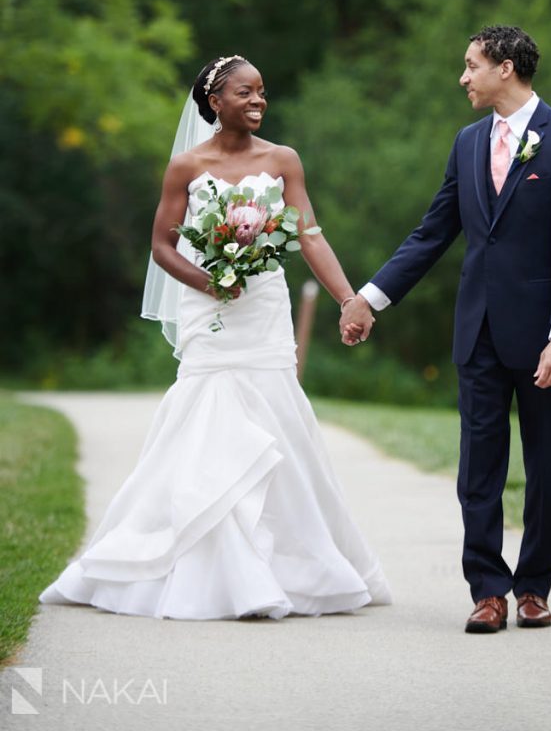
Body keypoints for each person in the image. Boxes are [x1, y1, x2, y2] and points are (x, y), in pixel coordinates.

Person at [40, 54, 391, 620]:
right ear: (214, 101)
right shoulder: (185, 166)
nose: (258, 101)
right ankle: (200, 563)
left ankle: (286, 565)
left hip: (264, 310)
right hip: (209, 309)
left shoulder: (283, 160)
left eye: (262, 93)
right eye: (245, 93)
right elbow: (161, 246)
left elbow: (311, 234)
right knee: (204, 418)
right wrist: (209, 281)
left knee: (277, 419)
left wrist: (349, 298)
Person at [341, 26, 551, 634]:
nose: (463, 78)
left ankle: (534, 587)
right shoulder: (466, 143)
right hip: (478, 332)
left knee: (542, 467)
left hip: (545, 336)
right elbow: (432, 232)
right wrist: (369, 299)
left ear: (505, 68)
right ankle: (487, 590)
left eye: (471, 66)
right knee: (477, 468)